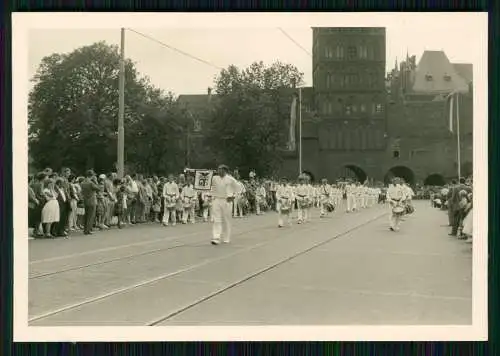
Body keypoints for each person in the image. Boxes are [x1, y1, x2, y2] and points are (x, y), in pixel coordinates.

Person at [210, 165, 239, 245]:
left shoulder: (231, 179)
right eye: (218, 169)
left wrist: (233, 196)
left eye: (220, 170)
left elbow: (238, 188)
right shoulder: (214, 178)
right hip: (217, 199)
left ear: (225, 171)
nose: (218, 171)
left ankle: (226, 237)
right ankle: (216, 237)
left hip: (227, 200)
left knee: (226, 220)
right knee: (217, 219)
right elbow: (207, 184)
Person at [80, 170, 101, 235]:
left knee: (86, 216)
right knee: (91, 216)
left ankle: (85, 229)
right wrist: (96, 181)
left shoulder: (83, 182)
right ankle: (88, 230)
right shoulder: (91, 183)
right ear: (91, 175)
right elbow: (98, 188)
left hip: (85, 200)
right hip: (92, 200)